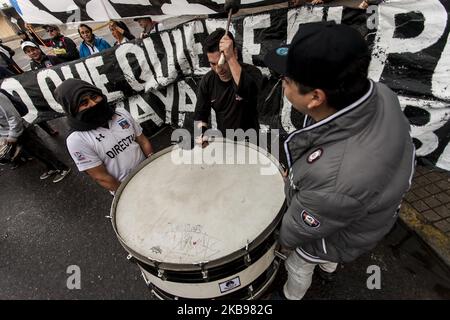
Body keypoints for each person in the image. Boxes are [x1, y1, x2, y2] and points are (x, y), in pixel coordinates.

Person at [263, 21, 415, 300]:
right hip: (362, 210)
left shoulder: (337, 177)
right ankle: (329, 266)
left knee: (300, 261)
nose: (283, 85)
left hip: (346, 223)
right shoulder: (381, 94)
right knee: (330, 232)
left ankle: (290, 296)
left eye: (286, 81)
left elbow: (299, 228)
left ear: (316, 97)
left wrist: (282, 242)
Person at [54, 79, 153, 194]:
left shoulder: (121, 113)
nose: (93, 104)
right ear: (72, 109)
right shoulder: (76, 140)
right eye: (84, 103)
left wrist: (153, 162)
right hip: (126, 187)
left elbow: (142, 140)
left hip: (148, 171)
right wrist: (128, 193)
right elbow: (101, 177)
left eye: (94, 97)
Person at [193, 28, 262, 144]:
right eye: (213, 64)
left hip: (252, 143)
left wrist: (230, 58)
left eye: (222, 62)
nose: (218, 69)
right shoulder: (207, 81)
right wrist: (201, 133)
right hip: (225, 143)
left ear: (234, 53)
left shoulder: (253, 73)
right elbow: (201, 115)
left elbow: (245, 91)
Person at [0, 89, 71, 182]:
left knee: (40, 149)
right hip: (9, 133)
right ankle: (51, 168)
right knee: (34, 153)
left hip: (20, 130)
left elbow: (13, 116)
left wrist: (12, 136)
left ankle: (62, 168)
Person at [21, 41, 61, 136]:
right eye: (29, 51)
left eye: (33, 49)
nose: (32, 53)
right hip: (49, 94)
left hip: (61, 90)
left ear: (38, 49)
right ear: (27, 54)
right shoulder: (32, 65)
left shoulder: (52, 59)